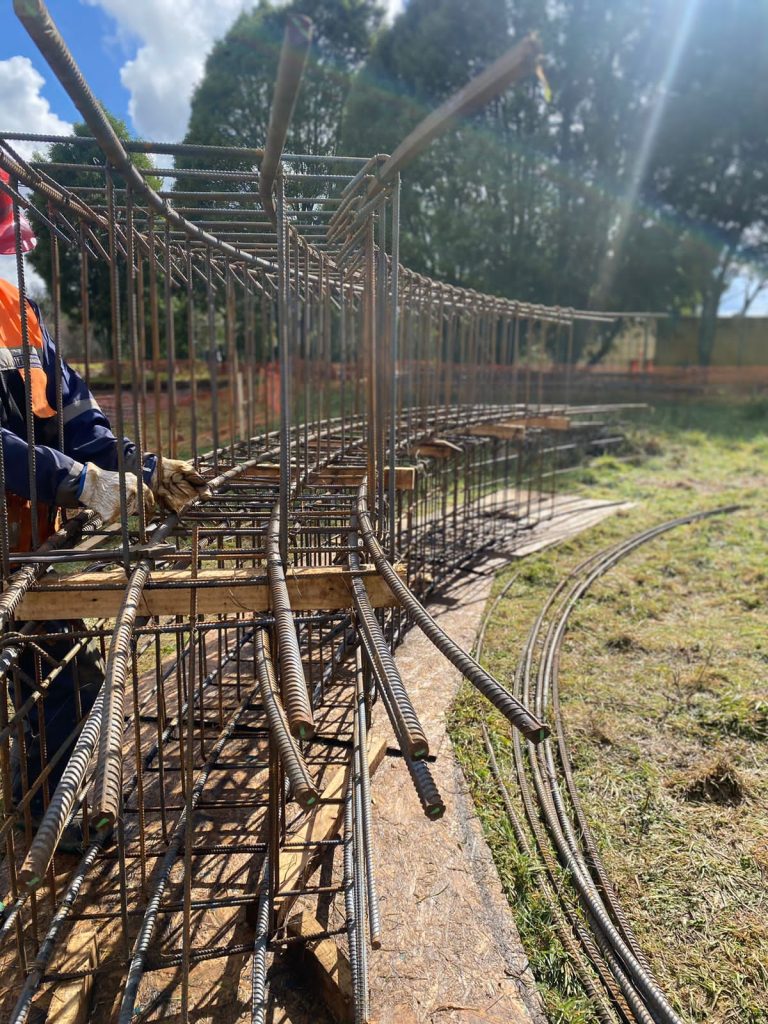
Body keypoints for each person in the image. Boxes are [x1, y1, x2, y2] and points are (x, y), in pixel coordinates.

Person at [0, 171, 210, 843]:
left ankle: (47, 816)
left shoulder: (16, 314)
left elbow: (74, 422)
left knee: (59, 677)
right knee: (50, 677)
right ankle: (46, 816)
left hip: (20, 549)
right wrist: (77, 483)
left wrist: (145, 468)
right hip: (19, 541)